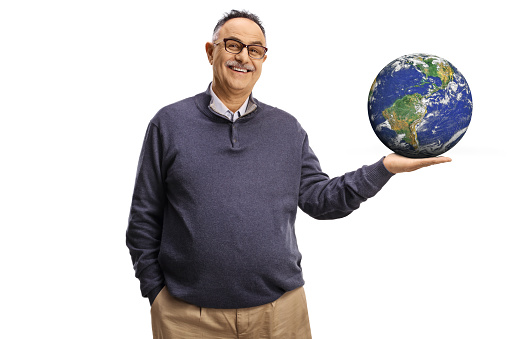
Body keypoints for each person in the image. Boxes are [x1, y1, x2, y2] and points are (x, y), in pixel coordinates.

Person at [126, 10, 451, 339]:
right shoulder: (169, 124)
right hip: (187, 317)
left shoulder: (287, 129)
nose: (244, 57)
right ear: (211, 51)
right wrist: (156, 294)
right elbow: (143, 219)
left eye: (255, 50)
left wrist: (384, 168)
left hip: (280, 314)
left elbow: (321, 200)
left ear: (263, 59)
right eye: (233, 45)